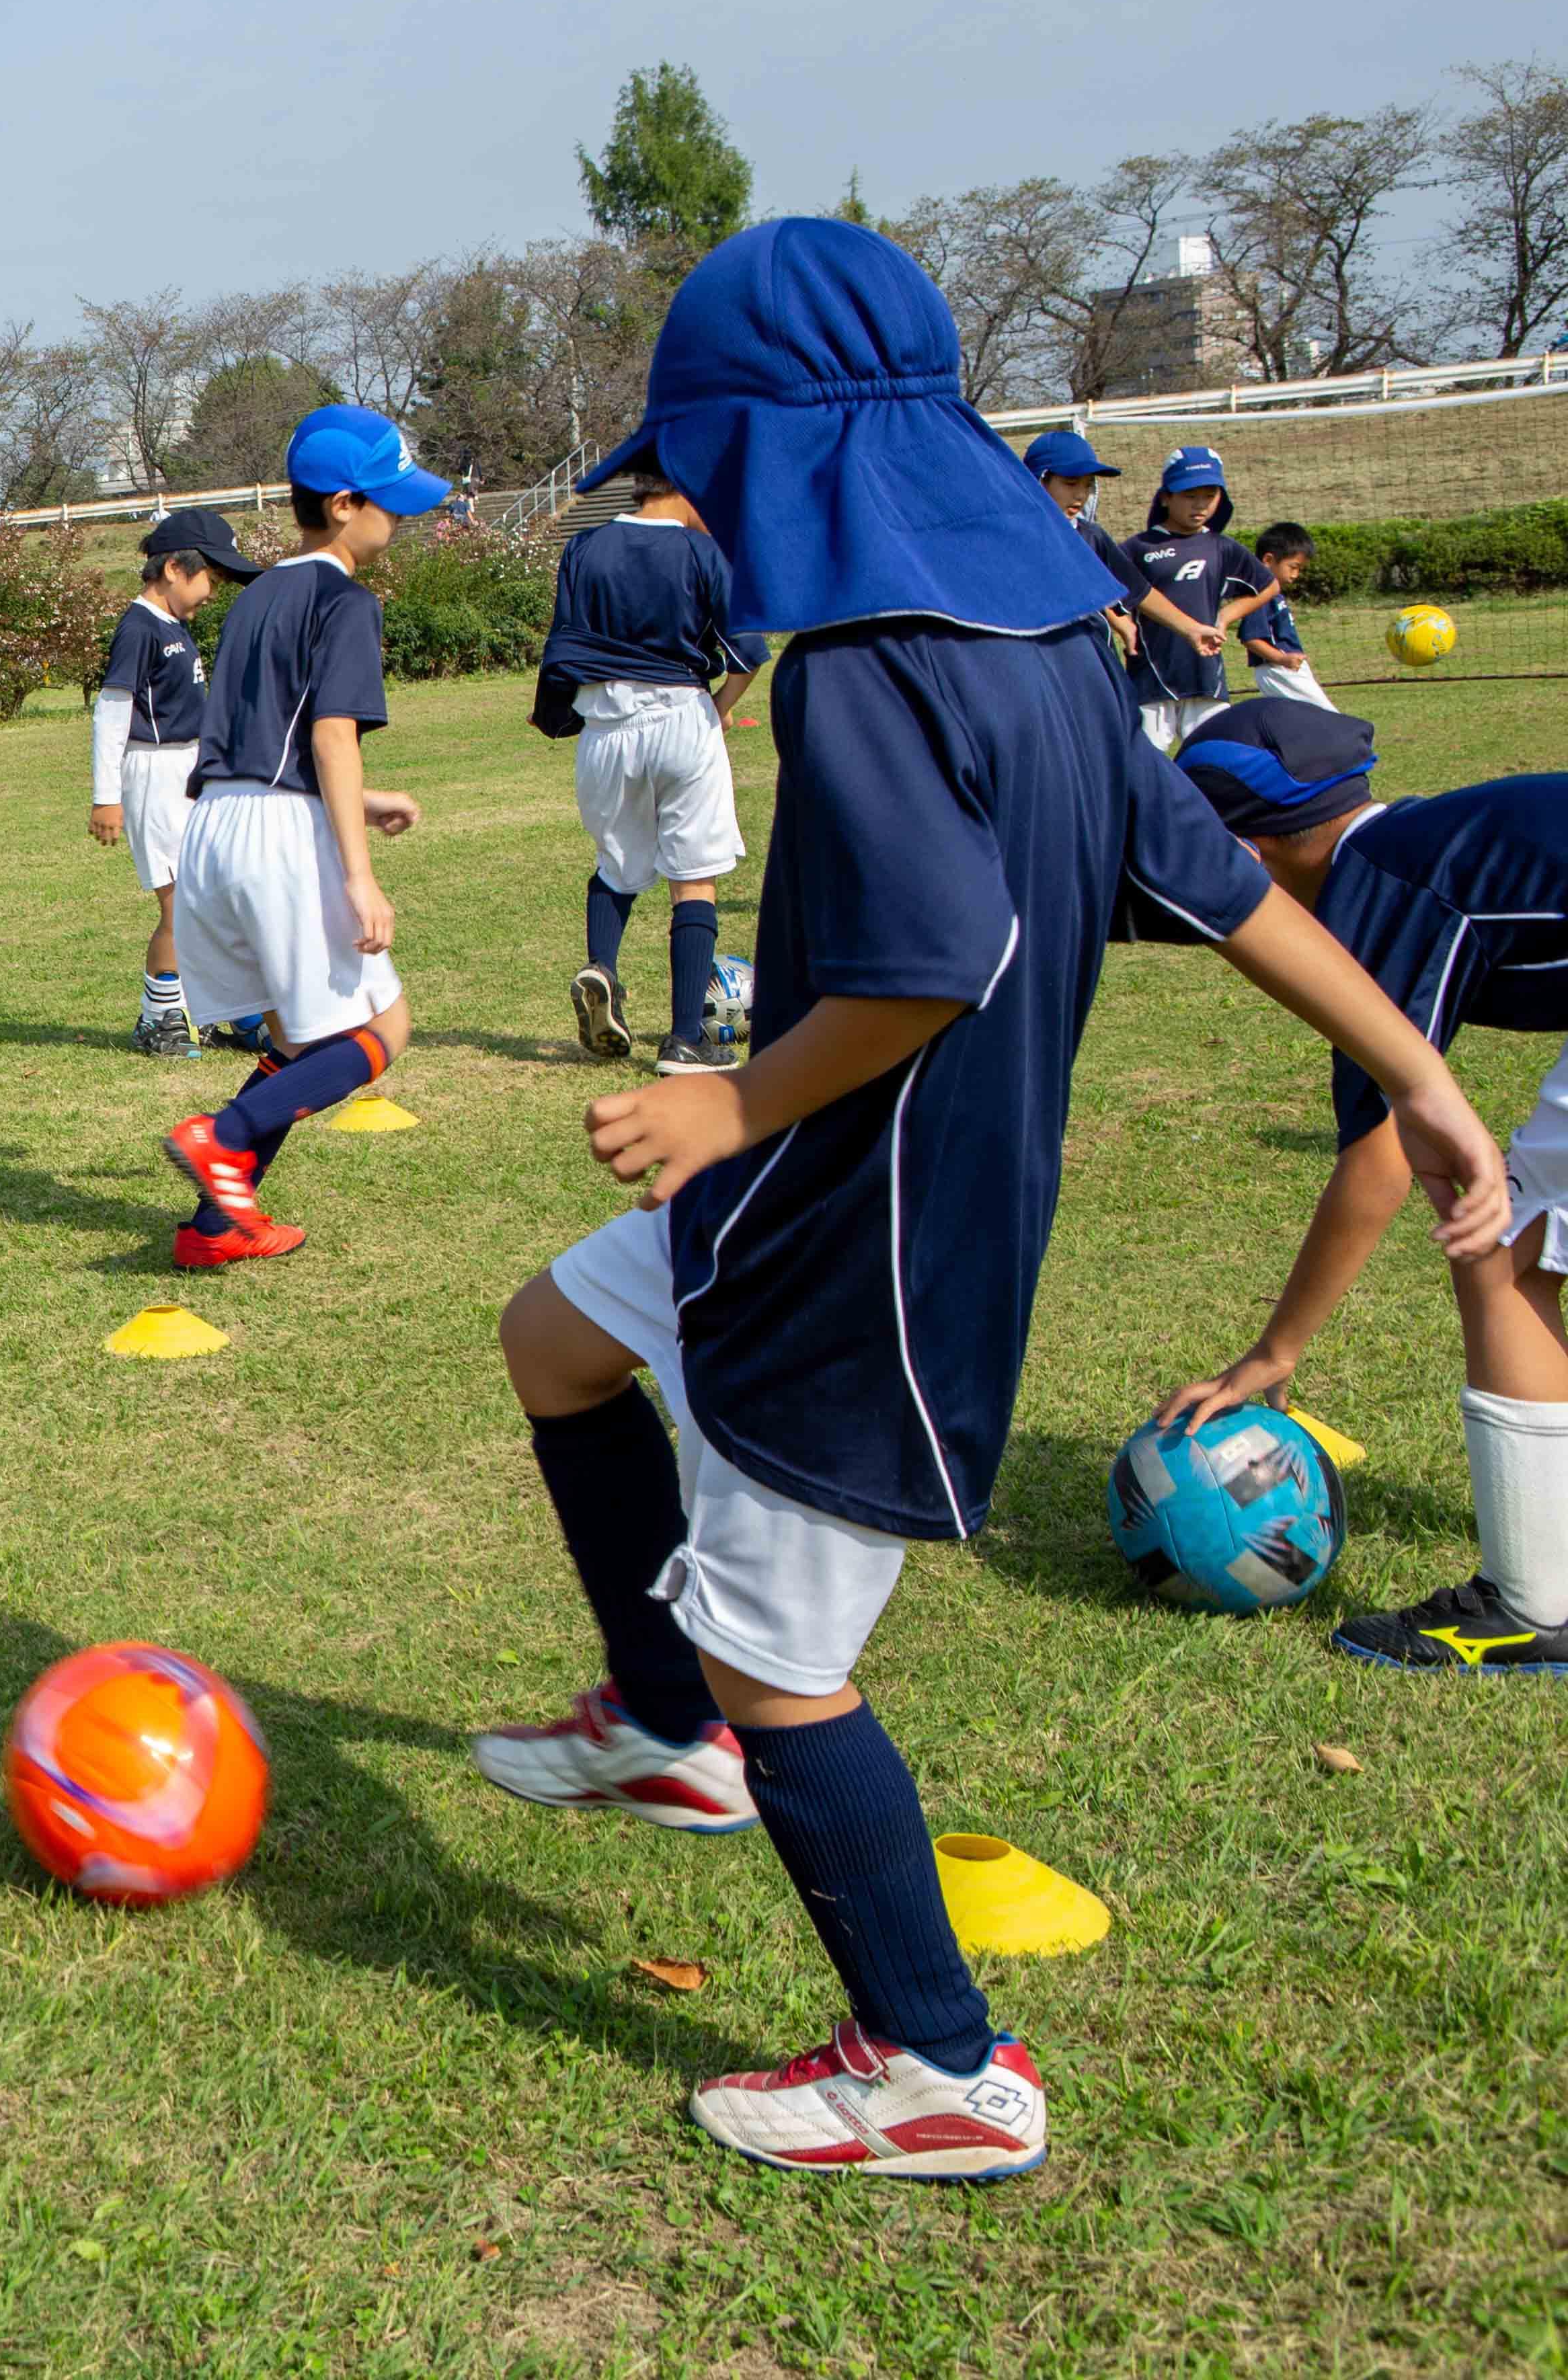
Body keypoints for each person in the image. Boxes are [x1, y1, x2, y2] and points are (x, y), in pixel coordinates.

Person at [462, 221, 1505, 2178]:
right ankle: (659, 1724)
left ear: (782, 453)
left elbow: (931, 956)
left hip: (856, 1230)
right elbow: (1224, 881)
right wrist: (1428, 1069)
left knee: (796, 1652)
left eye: (710, 463)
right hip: (847, 1194)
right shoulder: (1047, 650)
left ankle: (935, 2063)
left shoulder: (862, 668)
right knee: (555, 1338)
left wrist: (726, 1102)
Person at [1157, 701, 1568, 1671]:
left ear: (1241, 860)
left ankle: (1532, 1605)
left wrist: (1275, 1351)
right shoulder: (1430, 837)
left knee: (1504, 1240)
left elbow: (1382, 1151)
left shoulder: (1377, 898)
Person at [155, 405, 434, 1270]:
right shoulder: (344, 599)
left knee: (291, 1042)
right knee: (383, 1030)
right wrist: (360, 874)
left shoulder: (258, 593)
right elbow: (328, 736)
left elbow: (262, 739)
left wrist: (362, 800)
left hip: (215, 828)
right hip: (278, 835)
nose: (402, 516)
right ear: (345, 504)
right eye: (389, 500)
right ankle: (222, 1133)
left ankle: (213, 1229)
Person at [531, 469, 754, 1073]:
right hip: (681, 713)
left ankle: (602, 967)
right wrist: (720, 710)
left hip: (604, 728)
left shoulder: (584, 546)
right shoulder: (699, 550)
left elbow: (565, 640)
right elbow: (747, 654)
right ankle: (686, 1039)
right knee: (695, 876)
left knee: (618, 864)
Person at [89, 509, 256, 1056]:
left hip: (189, 770)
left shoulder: (174, 627)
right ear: (174, 571)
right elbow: (112, 714)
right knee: (180, 905)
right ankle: (159, 1019)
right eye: (211, 577)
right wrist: (105, 798)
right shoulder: (138, 629)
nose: (214, 591)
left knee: (216, 895)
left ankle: (226, 1008)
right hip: (154, 773)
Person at [1020, 429, 1226, 675]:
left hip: (1094, 666)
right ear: (1038, 480)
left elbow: (1138, 590)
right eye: (1071, 483)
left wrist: (1191, 629)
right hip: (1038, 666)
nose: (1080, 495)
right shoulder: (1013, 540)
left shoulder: (1092, 537)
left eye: (1088, 485)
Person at [1123, 445, 1281, 749]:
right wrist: (1123, 625)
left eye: (1210, 495)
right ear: (1166, 497)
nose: (1201, 505)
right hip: (1151, 681)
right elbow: (1110, 594)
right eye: (1190, 495)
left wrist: (1225, 617)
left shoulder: (1221, 546)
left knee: (1217, 761)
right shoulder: (1138, 548)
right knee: (1145, 767)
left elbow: (1268, 586)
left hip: (1206, 678)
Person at [1238, 522, 1334, 708]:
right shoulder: (1259, 595)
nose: (1296, 575)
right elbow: (1250, 638)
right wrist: (1282, 659)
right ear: (1268, 561)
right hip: (1278, 669)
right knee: (1328, 717)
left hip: (1286, 667)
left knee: (1299, 723)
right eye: (1293, 567)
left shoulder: (1273, 594)